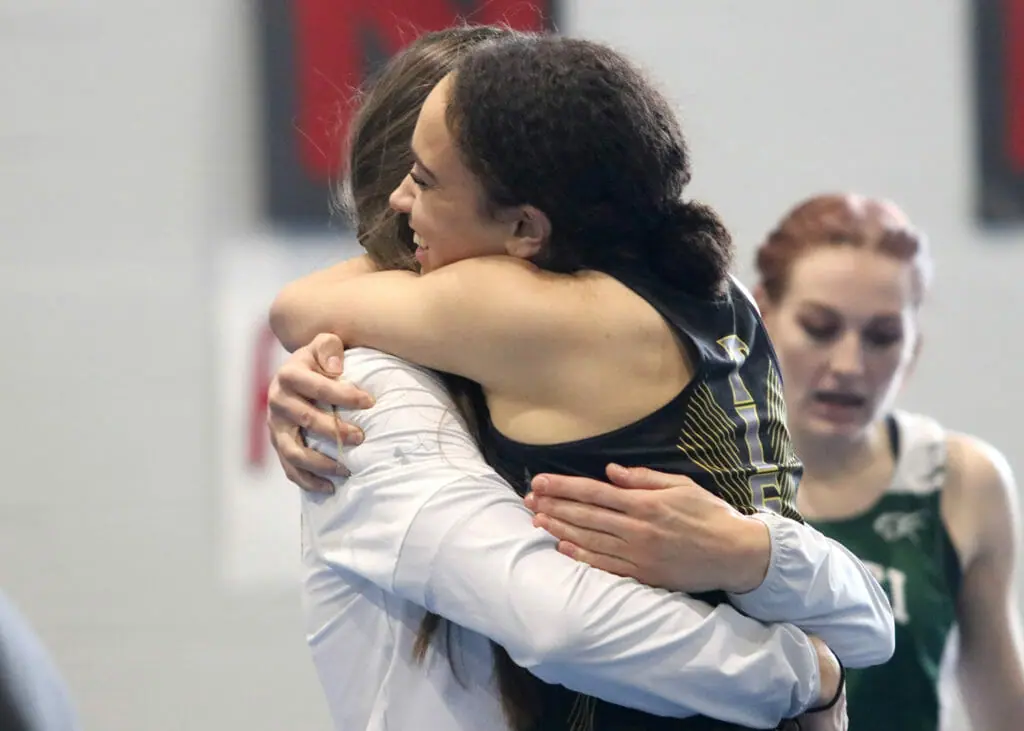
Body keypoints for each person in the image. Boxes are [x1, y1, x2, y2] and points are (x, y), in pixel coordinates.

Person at [267, 29, 894, 731]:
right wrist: (775, 591)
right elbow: (870, 627)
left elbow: (560, 627)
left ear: (524, 232)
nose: (404, 200)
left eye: (426, 179)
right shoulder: (715, 297)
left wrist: (796, 660)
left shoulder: (511, 315)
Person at [523, 194, 1024, 731]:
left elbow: (1002, 705)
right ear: (761, 316)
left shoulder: (963, 481)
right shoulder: (691, 467)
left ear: (914, 349)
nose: (849, 365)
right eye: (820, 327)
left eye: (882, 337)